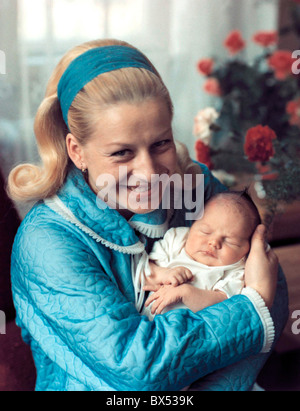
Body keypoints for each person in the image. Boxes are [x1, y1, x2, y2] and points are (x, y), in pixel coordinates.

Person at [8, 39, 288, 391]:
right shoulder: (47, 241)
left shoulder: (196, 187)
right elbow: (139, 368)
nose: (149, 171)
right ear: (77, 151)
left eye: (161, 143)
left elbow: (274, 293)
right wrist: (251, 307)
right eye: (122, 153)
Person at [133, 190, 263, 320]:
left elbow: (224, 307)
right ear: (193, 224)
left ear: (247, 248)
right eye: (205, 231)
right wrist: (163, 274)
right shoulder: (177, 239)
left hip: (192, 330)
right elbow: (142, 272)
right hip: (147, 321)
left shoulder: (236, 271)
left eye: (230, 241)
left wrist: (186, 293)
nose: (214, 242)